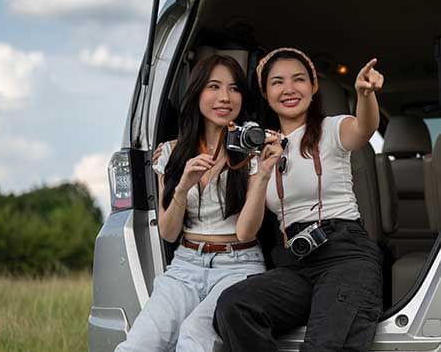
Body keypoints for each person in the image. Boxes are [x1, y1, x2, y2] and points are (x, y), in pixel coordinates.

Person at [213, 47, 385, 352]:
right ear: (266, 94)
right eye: (277, 82)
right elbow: (245, 232)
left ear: (313, 87)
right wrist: (264, 172)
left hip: (345, 255)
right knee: (234, 305)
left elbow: (364, 128)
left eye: (299, 80)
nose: (289, 89)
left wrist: (365, 95)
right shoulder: (260, 151)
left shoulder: (332, 128)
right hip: (295, 263)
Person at [115, 54, 281, 352]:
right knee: (137, 345)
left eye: (234, 89)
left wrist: (263, 173)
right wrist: (183, 187)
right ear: (196, 94)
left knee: (194, 339)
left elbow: (246, 232)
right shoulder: (170, 153)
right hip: (185, 266)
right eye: (213, 87)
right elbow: (167, 233)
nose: (224, 97)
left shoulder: (254, 154)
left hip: (239, 265)